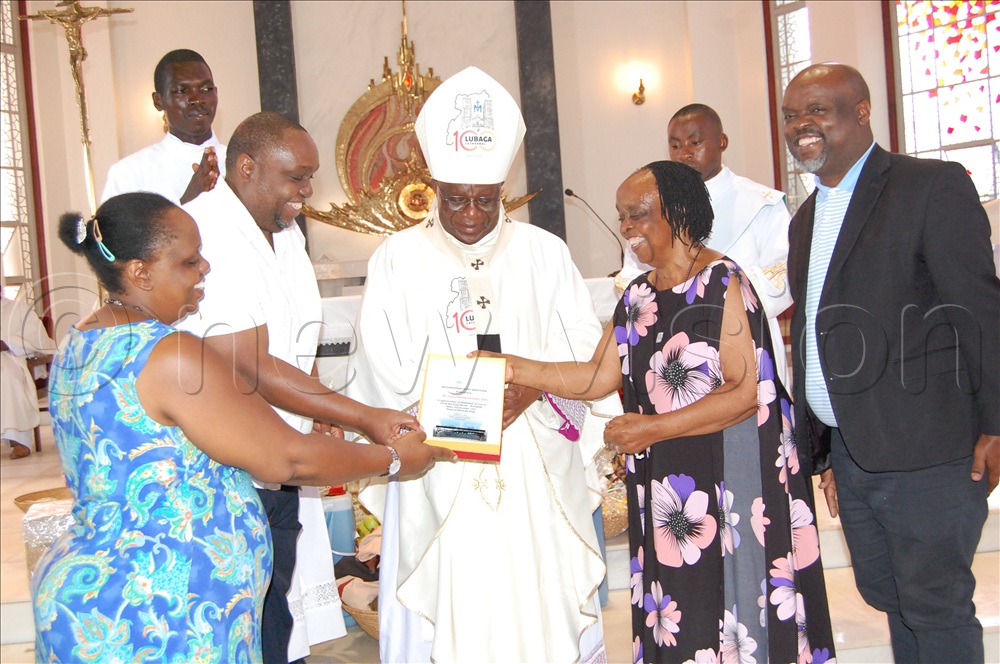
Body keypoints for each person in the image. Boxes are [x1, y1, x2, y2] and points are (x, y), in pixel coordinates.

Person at [32, 192, 450, 662]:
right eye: (189, 261)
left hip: (101, 592)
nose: (205, 267)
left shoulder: (81, 337)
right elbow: (286, 456)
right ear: (140, 273)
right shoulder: (168, 354)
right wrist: (394, 459)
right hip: (160, 608)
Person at [485, 161, 837, 663]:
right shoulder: (637, 296)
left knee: (741, 600)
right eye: (622, 216)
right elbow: (594, 377)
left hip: (736, 476)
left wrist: (651, 428)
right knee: (682, 602)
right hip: (673, 481)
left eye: (637, 214)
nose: (626, 227)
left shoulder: (723, 282)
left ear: (677, 213)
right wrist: (512, 367)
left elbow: (745, 392)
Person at [348, 66, 622, 663]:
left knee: (535, 591)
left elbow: (587, 357)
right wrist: (442, 404)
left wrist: (535, 390)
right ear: (434, 190)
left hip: (531, 455)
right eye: (456, 200)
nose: (471, 213)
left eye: (484, 200)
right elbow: (380, 365)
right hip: (438, 461)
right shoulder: (398, 258)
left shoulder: (544, 253)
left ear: (504, 193)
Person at [175, 110, 422, 663]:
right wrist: (364, 417)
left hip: (277, 445)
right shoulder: (208, 232)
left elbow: (292, 339)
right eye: (297, 177)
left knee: (273, 593)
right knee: (248, 606)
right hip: (227, 459)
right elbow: (251, 363)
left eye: (310, 178)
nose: (307, 192)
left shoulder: (281, 231)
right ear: (246, 168)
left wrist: (316, 407)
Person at [782, 63, 1000, 663]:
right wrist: (824, 446)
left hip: (929, 446)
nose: (802, 125)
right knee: (893, 598)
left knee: (935, 604)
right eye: (791, 115)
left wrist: (997, 423)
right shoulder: (804, 220)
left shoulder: (928, 185)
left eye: (819, 110)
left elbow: (979, 310)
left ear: (861, 111)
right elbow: (818, 334)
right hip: (854, 451)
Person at [619, 103, 793, 385]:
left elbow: (785, 271)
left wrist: (715, 305)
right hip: (673, 341)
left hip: (744, 337)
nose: (684, 153)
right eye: (675, 146)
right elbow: (631, 275)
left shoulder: (761, 203)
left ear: (722, 142)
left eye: (695, 143)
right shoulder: (654, 208)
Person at [101, 49, 225, 206]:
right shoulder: (129, 173)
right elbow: (117, 231)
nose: (197, 100)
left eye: (206, 89)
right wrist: (189, 200)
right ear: (158, 101)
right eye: (182, 91)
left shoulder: (241, 165)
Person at [1, 288, 57, 459]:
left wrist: (7, 343)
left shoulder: (17, 309)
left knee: (6, 377)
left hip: (10, 358)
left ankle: (18, 440)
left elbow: (39, 341)